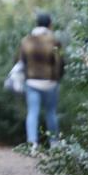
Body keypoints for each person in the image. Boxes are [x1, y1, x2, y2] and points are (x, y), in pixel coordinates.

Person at [17, 12, 64, 146]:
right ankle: (54, 143)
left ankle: (32, 143)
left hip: (32, 82)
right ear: (50, 24)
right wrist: (56, 78)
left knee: (32, 112)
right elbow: (59, 61)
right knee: (51, 113)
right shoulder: (54, 41)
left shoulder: (26, 40)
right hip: (50, 82)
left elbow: (20, 60)